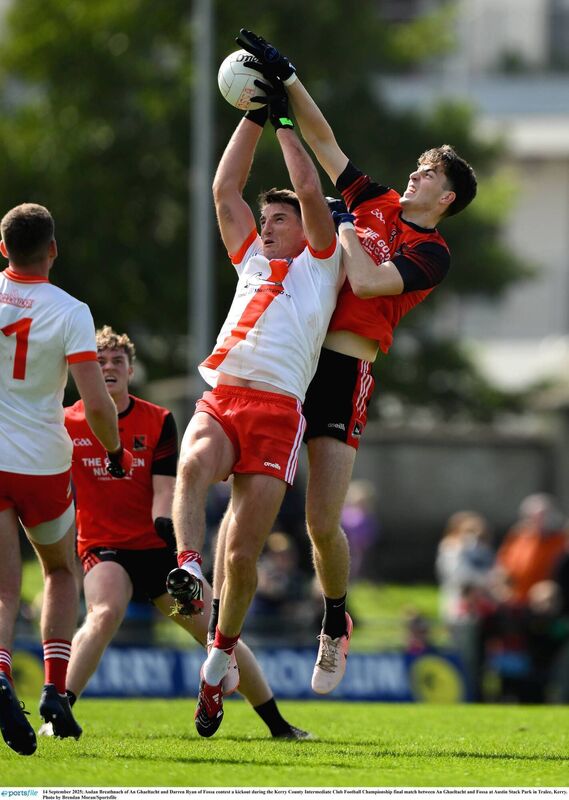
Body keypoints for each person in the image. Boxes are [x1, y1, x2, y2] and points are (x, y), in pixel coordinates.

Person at [234, 29, 478, 694]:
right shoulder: (374, 199)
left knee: (319, 521)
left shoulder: (432, 252)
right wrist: (288, 83)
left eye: (427, 172)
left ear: (446, 197)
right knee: (249, 494)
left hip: (345, 373)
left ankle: (334, 617)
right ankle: (223, 634)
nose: (414, 173)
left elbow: (369, 284)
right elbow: (323, 138)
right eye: (418, 166)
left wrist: (340, 223)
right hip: (296, 359)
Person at [166, 81, 343, 737]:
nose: (266, 226)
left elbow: (310, 201)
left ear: (303, 228)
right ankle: (185, 563)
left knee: (240, 556)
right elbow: (223, 192)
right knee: (190, 467)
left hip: (276, 413)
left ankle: (218, 661)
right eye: (263, 220)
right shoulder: (250, 261)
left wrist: (289, 126)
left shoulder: (320, 266)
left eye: (279, 219)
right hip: (225, 395)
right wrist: (252, 116)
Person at [39, 325, 311, 741]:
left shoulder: (159, 420)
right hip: (104, 548)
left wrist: (173, 547)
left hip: (157, 551)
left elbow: (167, 492)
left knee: (217, 636)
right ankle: (58, 712)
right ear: (85, 372)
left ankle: (278, 726)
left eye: (117, 361)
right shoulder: (65, 421)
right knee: (105, 612)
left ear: (130, 371)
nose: (108, 368)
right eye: (99, 362)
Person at [0, 204, 132, 756]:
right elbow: (96, 403)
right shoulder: (71, 310)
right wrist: (115, 450)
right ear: (53, 249)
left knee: (3, 587)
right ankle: (56, 688)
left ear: (4, 249)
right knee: (57, 572)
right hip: (43, 463)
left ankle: (1, 672)